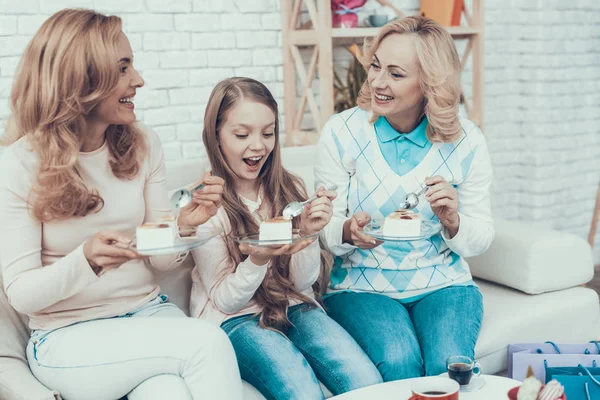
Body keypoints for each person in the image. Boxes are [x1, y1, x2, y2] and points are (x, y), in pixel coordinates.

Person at [0, 9, 242, 400]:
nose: (139, 80)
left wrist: (181, 225)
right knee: (208, 343)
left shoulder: (143, 144)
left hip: (148, 314)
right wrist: (87, 261)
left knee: (168, 392)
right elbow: (23, 294)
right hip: (66, 338)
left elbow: (161, 260)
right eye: (123, 68)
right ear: (81, 80)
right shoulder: (18, 165)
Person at [315, 15, 494, 380]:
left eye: (396, 74)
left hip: (444, 284)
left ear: (430, 82)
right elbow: (323, 227)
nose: (378, 82)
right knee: (398, 361)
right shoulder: (342, 133)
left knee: (449, 369)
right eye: (376, 66)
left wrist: (452, 220)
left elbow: (481, 238)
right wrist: (347, 231)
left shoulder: (467, 140)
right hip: (360, 286)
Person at [190, 77, 383, 399]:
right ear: (215, 136)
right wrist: (259, 258)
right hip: (236, 319)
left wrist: (308, 233)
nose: (258, 145)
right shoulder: (207, 205)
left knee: (367, 382)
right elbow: (226, 299)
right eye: (242, 134)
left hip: (295, 304)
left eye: (268, 133)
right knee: (301, 391)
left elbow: (302, 282)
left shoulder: (290, 190)